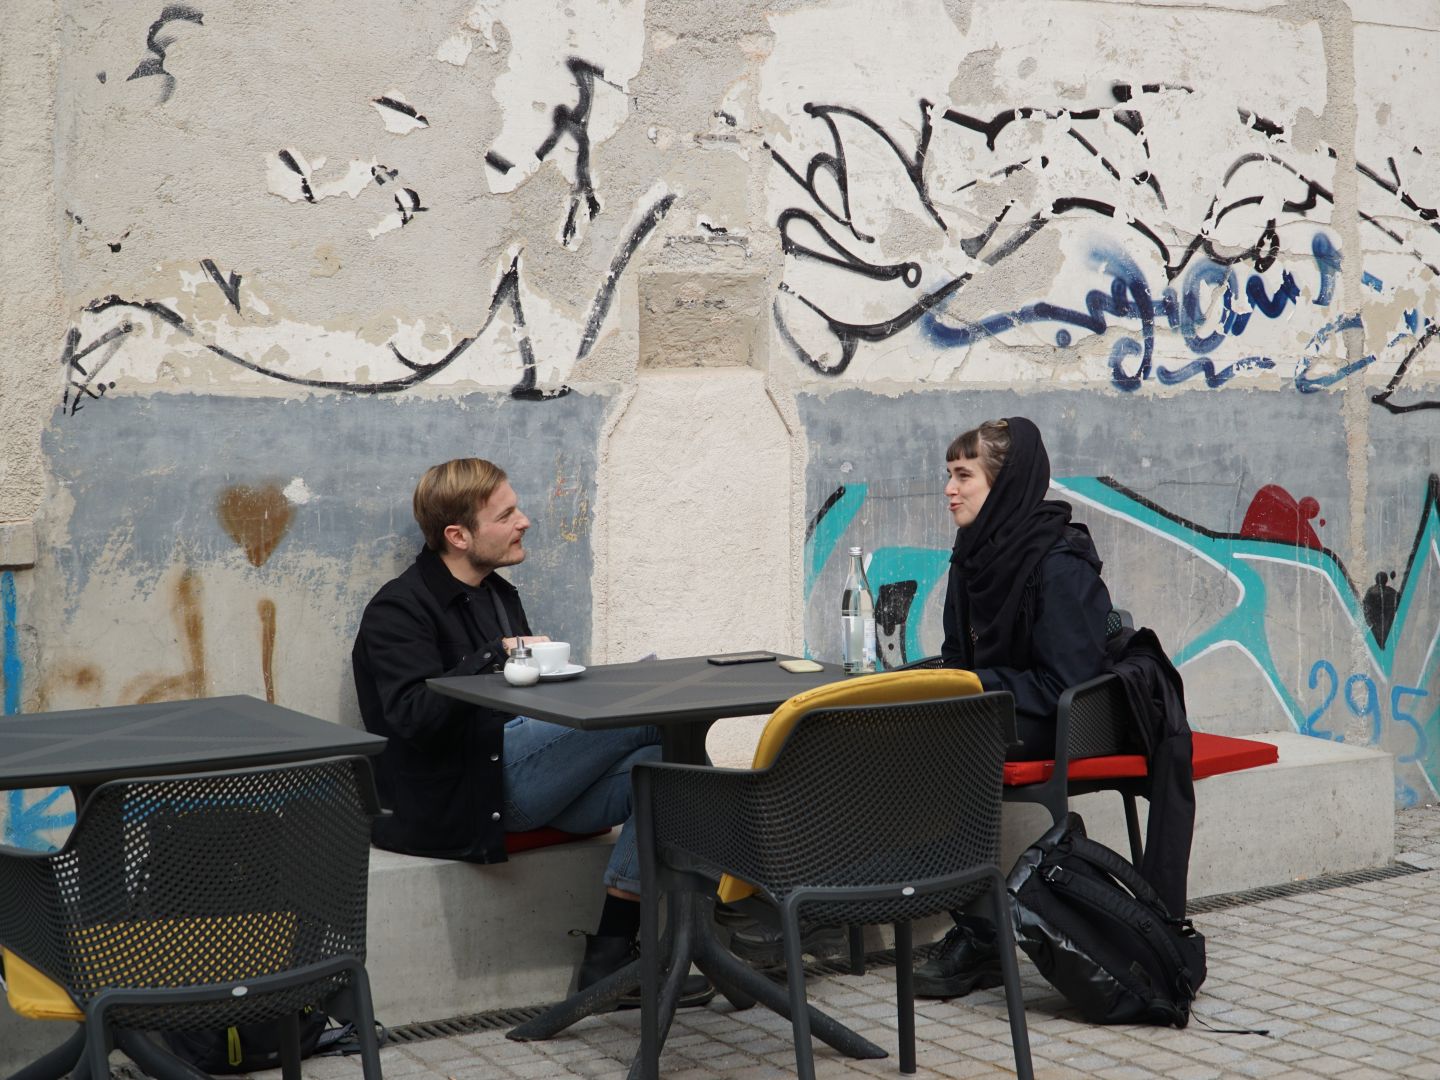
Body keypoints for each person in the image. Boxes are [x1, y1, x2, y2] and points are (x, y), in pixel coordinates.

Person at [352, 458, 710, 1007]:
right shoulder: (399, 609)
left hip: (529, 774)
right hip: (470, 792)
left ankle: (610, 959)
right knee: (653, 710)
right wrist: (493, 656)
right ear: (458, 535)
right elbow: (411, 718)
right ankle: (744, 886)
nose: (525, 521)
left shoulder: (500, 594)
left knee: (665, 763)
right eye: (507, 514)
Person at [913, 418, 1118, 998]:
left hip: (1070, 720)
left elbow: (1070, 683)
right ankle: (975, 926)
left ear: (1003, 484)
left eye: (963, 476)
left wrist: (975, 687)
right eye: (948, 475)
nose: (949, 489)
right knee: (891, 726)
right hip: (1003, 709)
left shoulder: (1057, 563)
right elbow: (958, 656)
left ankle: (981, 936)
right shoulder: (972, 555)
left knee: (942, 745)